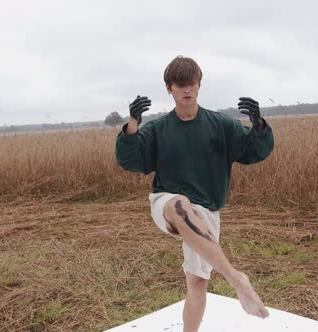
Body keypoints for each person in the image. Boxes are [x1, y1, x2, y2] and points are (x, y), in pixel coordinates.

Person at [115, 55, 274, 332]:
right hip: (167, 204)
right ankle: (237, 279)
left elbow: (253, 151)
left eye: (191, 83)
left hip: (206, 210)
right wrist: (131, 127)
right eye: (180, 84)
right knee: (180, 204)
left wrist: (259, 126)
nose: (186, 89)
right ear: (170, 89)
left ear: (199, 85)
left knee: (198, 283)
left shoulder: (222, 126)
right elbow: (130, 160)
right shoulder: (157, 129)